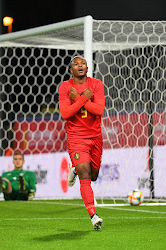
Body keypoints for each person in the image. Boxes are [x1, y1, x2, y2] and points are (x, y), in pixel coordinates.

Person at [58, 55, 105, 230]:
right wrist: (84, 97)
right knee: (85, 175)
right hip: (77, 138)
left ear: (87, 68)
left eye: (83, 63)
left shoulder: (97, 85)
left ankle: (74, 168)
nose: (80, 66)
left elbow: (99, 110)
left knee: (93, 175)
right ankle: (93, 216)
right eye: (76, 64)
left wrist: (77, 97)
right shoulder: (65, 87)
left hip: (95, 137)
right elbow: (66, 113)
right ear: (71, 69)